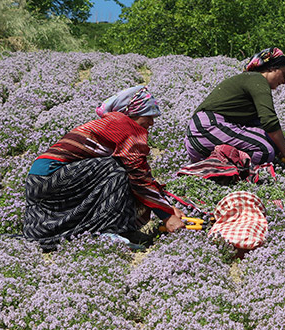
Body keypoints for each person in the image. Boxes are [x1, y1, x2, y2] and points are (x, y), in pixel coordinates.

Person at [23, 85, 184, 249]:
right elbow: (140, 176)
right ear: (132, 114)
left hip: (42, 179)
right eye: (148, 116)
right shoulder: (124, 126)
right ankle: (104, 233)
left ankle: (119, 230)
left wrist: (167, 207)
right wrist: (166, 216)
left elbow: (141, 174)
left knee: (122, 170)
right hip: (51, 176)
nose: (152, 122)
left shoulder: (115, 122)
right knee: (117, 169)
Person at [184, 47, 285, 167]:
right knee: (265, 151)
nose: (284, 81)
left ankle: (218, 166)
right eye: (283, 74)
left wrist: (280, 151)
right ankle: (222, 169)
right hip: (206, 129)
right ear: (271, 68)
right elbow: (269, 120)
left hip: (205, 133)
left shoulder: (251, 80)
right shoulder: (257, 79)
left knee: (268, 143)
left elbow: (261, 127)